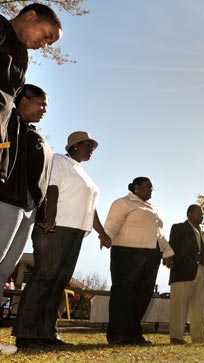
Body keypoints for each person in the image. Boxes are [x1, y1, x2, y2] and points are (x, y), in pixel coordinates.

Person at [12, 131, 110, 348]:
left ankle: (47, 333)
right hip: (55, 227)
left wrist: (102, 233)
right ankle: (26, 334)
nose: (91, 149)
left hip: (76, 232)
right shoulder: (59, 160)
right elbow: (52, 187)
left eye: (92, 146)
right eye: (88, 145)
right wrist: (50, 216)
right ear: (74, 146)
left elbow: (90, 207)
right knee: (44, 277)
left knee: (59, 281)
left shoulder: (84, 174)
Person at [0, 84, 51, 355]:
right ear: (22, 100)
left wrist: (39, 211)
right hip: (7, 198)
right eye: (40, 103)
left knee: (3, 271)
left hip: (28, 208)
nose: (44, 109)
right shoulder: (7, 122)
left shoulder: (34, 135)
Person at [104, 177, 175, 345]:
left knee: (142, 296)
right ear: (136, 188)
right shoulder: (123, 203)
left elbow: (160, 235)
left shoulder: (152, 210)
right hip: (127, 253)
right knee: (123, 294)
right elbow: (113, 221)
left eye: (152, 187)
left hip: (151, 256)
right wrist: (106, 236)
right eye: (147, 187)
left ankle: (134, 334)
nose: (150, 190)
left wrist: (168, 252)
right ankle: (118, 335)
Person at [0, 3, 62, 183]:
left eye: (49, 44)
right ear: (30, 16)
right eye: (46, 36)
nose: (44, 45)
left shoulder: (22, 57)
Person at [168, 204, 204, 344]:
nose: (202, 216)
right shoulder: (178, 228)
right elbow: (171, 247)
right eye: (198, 213)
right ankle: (176, 337)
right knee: (179, 306)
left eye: (202, 214)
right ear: (189, 214)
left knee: (200, 307)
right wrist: (168, 258)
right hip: (183, 273)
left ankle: (200, 337)